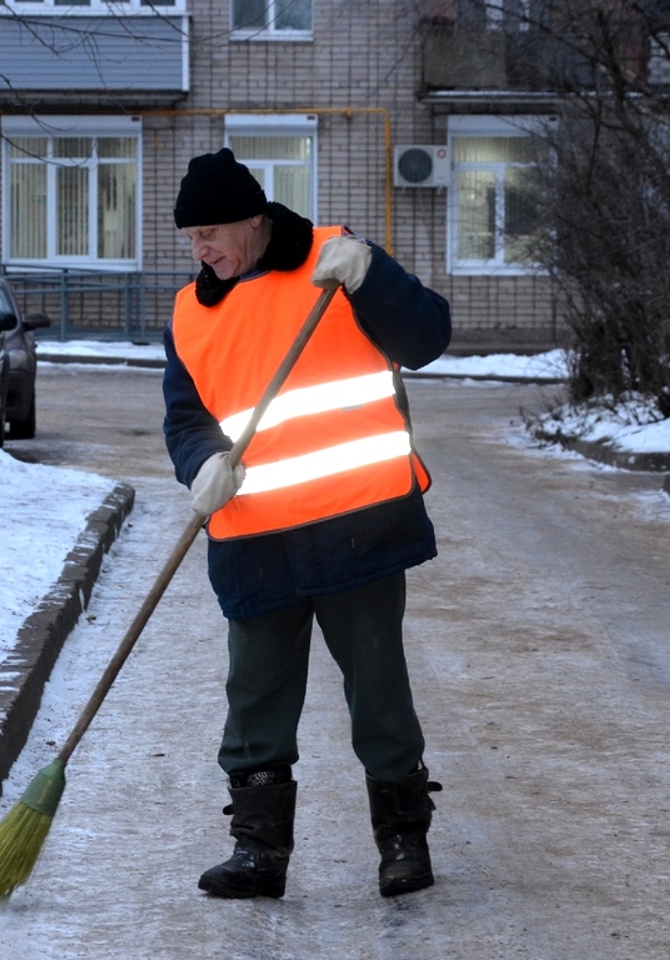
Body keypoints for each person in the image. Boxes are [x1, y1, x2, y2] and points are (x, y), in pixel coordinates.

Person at [162, 148, 452, 900]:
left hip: (358, 525)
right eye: (190, 238)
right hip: (254, 537)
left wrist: (373, 276)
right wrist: (201, 464)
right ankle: (259, 851)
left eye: (212, 233)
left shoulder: (336, 263)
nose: (202, 252)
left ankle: (403, 843)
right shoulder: (192, 314)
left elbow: (427, 339)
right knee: (255, 699)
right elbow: (185, 416)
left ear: (255, 221)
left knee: (379, 692)